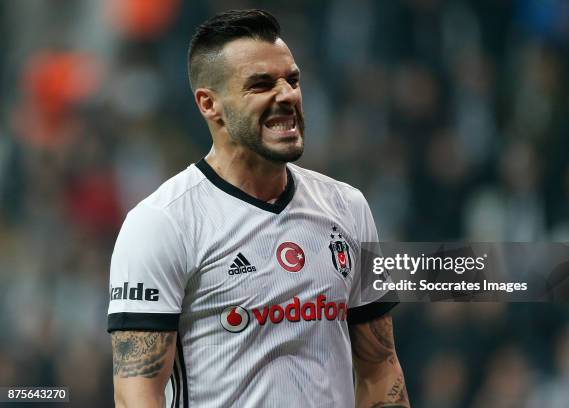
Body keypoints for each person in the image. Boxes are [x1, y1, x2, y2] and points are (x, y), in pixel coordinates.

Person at [107, 9, 409, 408]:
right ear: (210, 104)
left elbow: (381, 368)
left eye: (293, 80)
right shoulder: (162, 223)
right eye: (261, 84)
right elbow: (136, 394)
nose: (287, 95)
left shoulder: (347, 207)